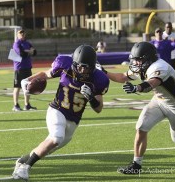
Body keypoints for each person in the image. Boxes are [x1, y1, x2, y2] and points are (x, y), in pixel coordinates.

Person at [102, 41, 175, 174]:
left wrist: (136, 87)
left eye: (138, 60)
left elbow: (151, 84)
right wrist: (103, 71)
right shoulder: (143, 66)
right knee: (141, 127)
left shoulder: (160, 67)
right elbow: (122, 76)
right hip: (158, 101)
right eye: (134, 60)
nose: (135, 63)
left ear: (147, 59)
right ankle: (136, 165)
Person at [12, 45, 110, 180]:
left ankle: (22, 161)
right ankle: (25, 168)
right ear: (74, 63)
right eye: (80, 66)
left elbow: (98, 108)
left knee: (50, 147)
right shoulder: (64, 64)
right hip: (57, 110)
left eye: (86, 67)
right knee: (56, 138)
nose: (82, 70)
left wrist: (91, 98)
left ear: (93, 66)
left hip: (73, 121)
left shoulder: (99, 79)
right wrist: (28, 79)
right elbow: (46, 74)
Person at [12, 30, 37, 111]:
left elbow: (35, 52)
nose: (22, 35)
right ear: (17, 35)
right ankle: (16, 105)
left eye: (23, 33)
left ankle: (27, 105)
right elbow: (21, 54)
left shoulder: (27, 43)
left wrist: (28, 51)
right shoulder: (16, 43)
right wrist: (29, 51)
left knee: (28, 86)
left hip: (27, 67)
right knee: (17, 87)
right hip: (19, 68)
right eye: (20, 33)